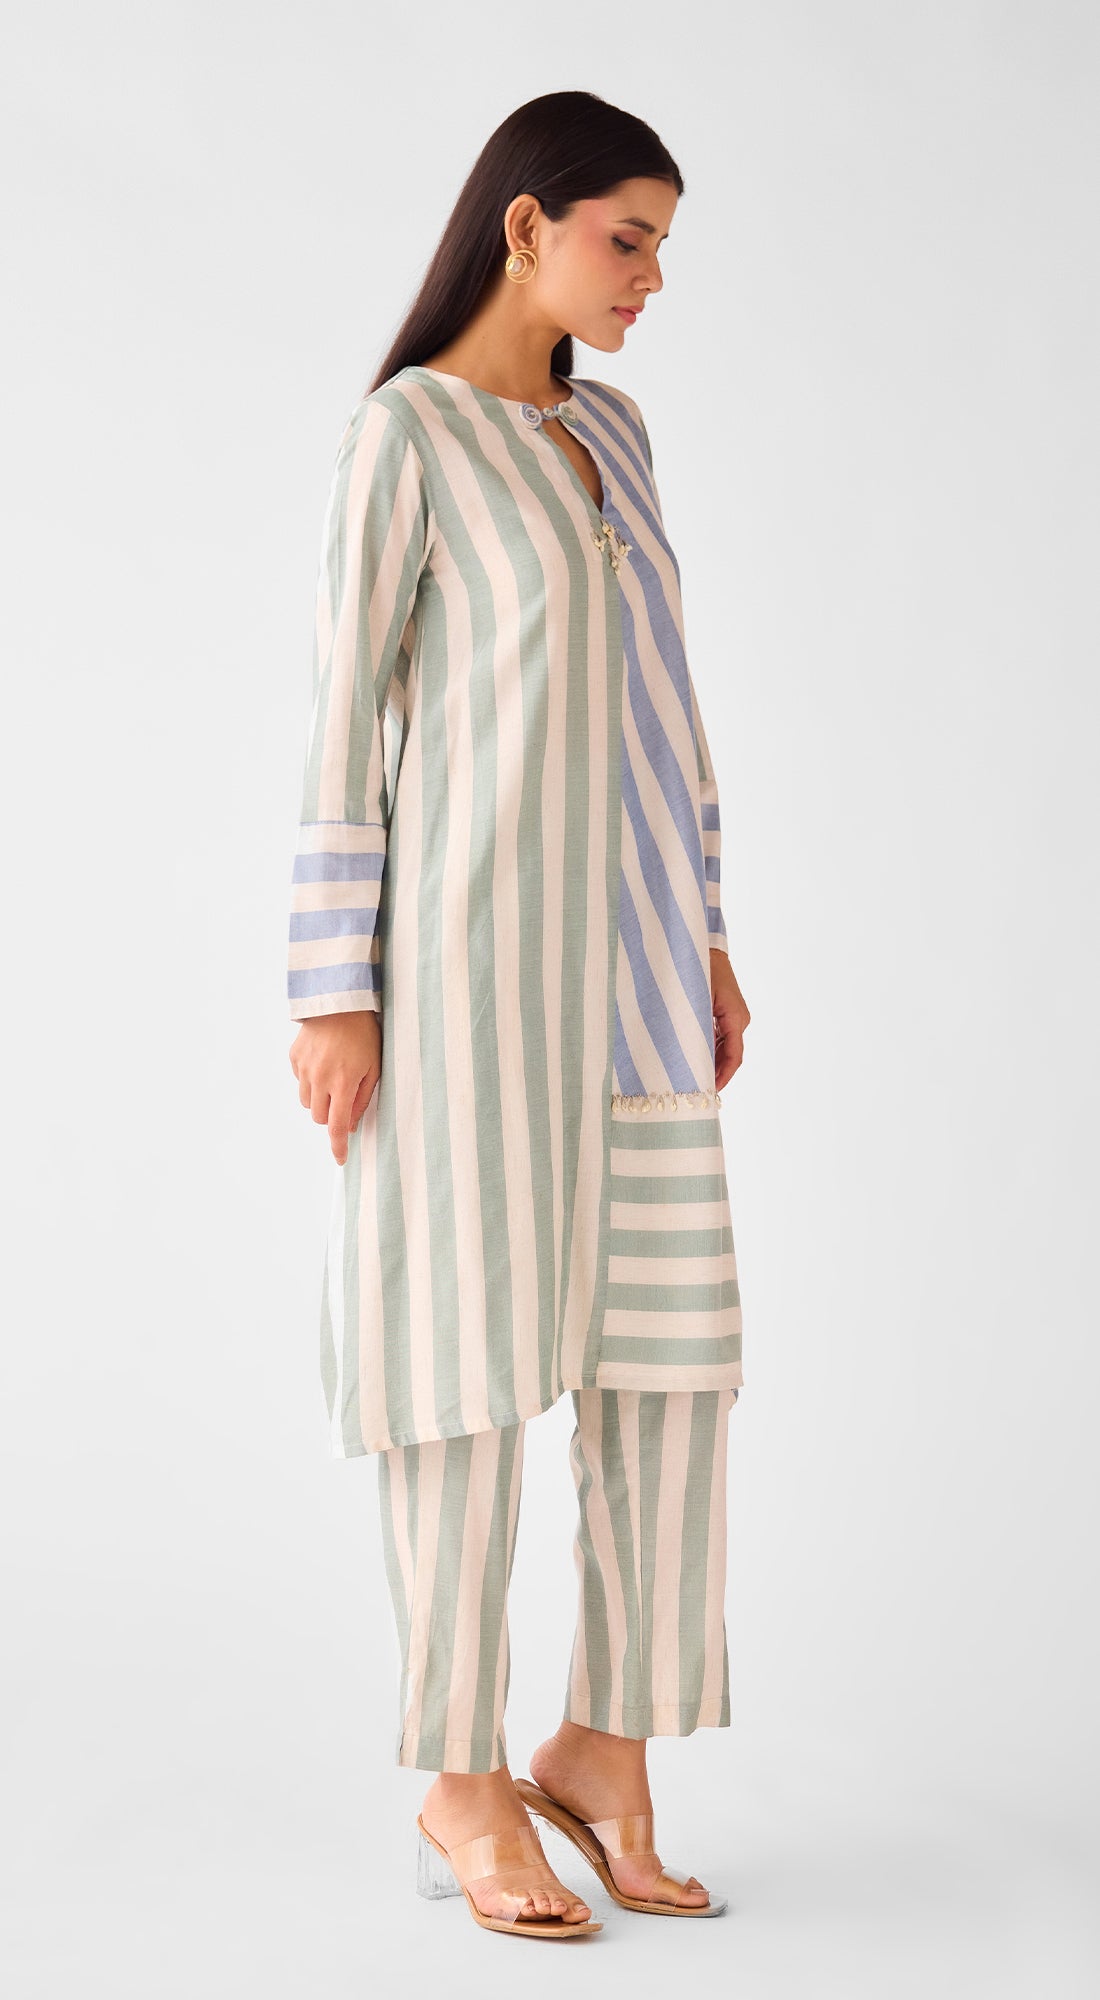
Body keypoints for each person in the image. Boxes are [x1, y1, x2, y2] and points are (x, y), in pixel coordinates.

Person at [287, 89, 751, 1942]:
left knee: (668, 1380)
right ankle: (461, 1774)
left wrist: (706, 933)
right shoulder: (408, 436)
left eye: (663, 248)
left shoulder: (614, 436)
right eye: (627, 239)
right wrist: (334, 990)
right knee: (461, 1380)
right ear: (526, 226)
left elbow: (668, 713)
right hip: (465, 994)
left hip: (638, 1002)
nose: (650, 280)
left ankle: (604, 1750)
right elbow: (341, 723)